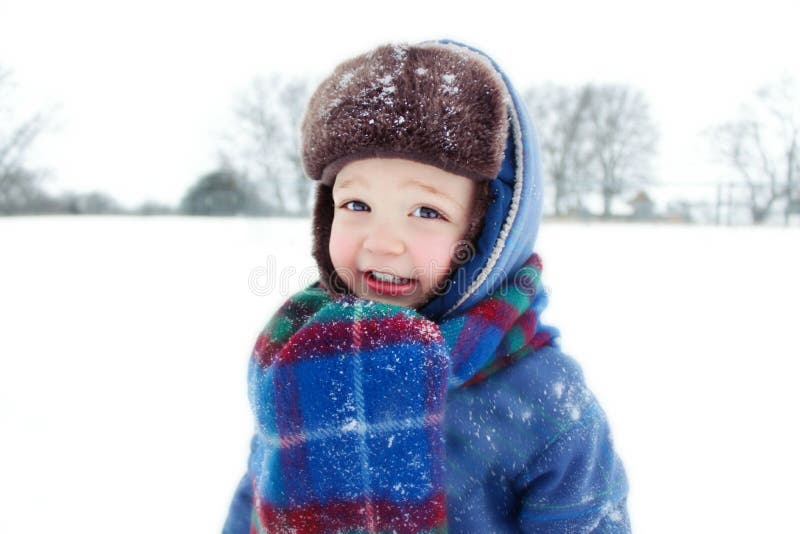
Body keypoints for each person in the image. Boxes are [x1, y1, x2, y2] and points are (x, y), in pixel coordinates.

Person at [223, 40, 630, 533]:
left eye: (426, 211)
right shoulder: (300, 353)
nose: (384, 242)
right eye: (356, 205)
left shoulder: (540, 397)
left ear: (489, 233)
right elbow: (257, 496)